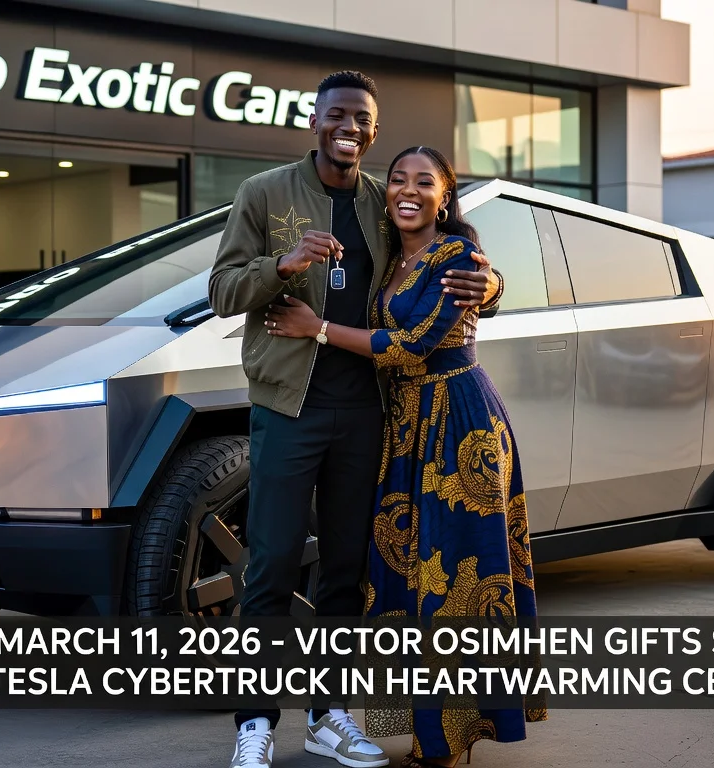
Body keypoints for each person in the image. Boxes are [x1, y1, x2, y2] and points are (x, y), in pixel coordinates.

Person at [208, 72, 501, 768]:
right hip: (288, 405)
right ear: (314, 121)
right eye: (337, 114)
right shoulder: (264, 193)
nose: (350, 128)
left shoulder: (382, 198)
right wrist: (284, 263)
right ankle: (255, 723)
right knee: (272, 565)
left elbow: (438, 255)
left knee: (344, 569)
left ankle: (327, 714)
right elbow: (221, 291)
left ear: (373, 130)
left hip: (369, 410)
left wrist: (491, 286)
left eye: (362, 119)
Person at [265, 146, 543, 768]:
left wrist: (316, 329)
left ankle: (451, 740)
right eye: (397, 180)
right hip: (405, 427)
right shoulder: (390, 254)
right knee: (409, 576)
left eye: (424, 182)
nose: (408, 190)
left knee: (459, 579)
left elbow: (412, 344)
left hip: (459, 423)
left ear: (445, 197)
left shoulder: (456, 255)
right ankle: (427, 729)